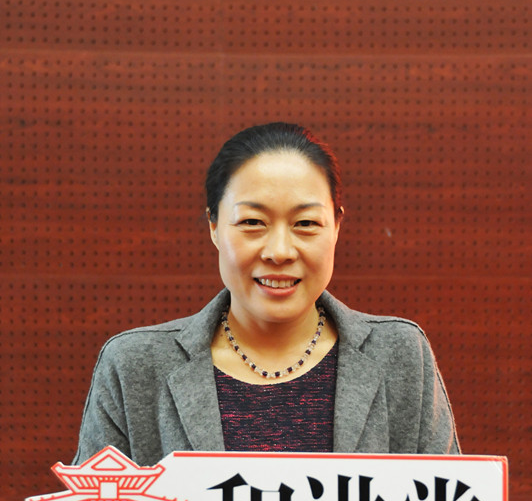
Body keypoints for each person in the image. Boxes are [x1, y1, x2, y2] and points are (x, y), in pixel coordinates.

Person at [73, 122, 460, 466]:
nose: (279, 251)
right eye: (252, 222)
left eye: (305, 223)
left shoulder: (400, 355)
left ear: (337, 226)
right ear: (213, 226)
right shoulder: (133, 367)